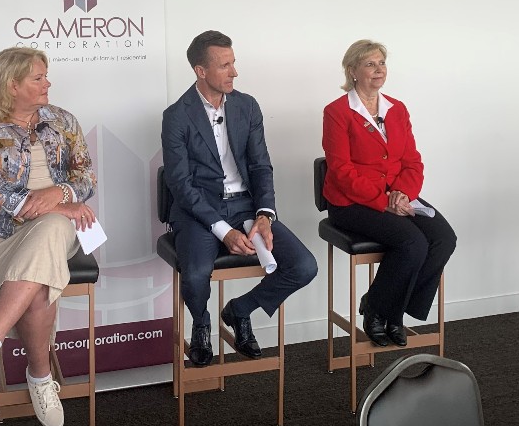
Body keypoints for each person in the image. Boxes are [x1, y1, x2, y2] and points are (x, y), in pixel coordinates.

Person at [0, 47, 96, 426]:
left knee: (50, 233)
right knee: (38, 284)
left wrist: (61, 196)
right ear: (11, 85)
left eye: (45, 76)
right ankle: (39, 377)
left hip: (53, 230)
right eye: (38, 77)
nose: (47, 83)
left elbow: (86, 179)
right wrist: (55, 205)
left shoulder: (63, 122)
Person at [161, 30, 317, 367]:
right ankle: (201, 324)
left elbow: (261, 165)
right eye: (225, 65)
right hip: (199, 210)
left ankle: (240, 310)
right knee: (197, 272)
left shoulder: (247, 106)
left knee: (304, 266)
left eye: (234, 63)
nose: (234, 72)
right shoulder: (176, 116)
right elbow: (180, 184)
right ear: (200, 71)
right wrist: (222, 230)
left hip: (245, 205)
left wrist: (265, 214)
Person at [321, 40, 456, 348]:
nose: (378, 69)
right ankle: (384, 314)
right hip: (351, 202)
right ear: (352, 70)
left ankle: (383, 304)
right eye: (370, 64)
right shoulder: (337, 112)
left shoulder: (397, 109)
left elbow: (412, 161)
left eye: (382, 63)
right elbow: (341, 172)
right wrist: (385, 202)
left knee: (444, 239)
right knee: (412, 242)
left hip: (398, 197)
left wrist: (403, 194)